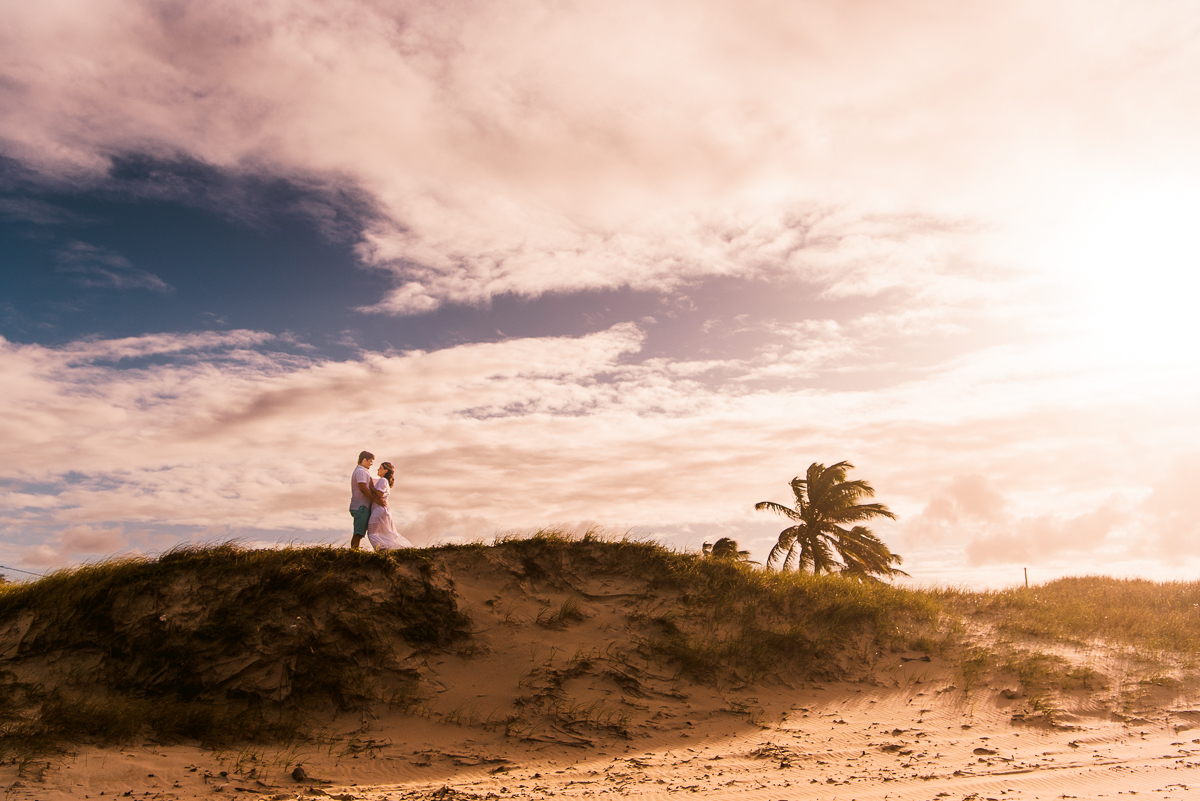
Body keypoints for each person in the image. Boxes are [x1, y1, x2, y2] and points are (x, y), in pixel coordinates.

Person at [367, 461, 413, 551]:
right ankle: (387, 548)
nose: (378, 470)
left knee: (372, 533)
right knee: (384, 532)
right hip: (380, 509)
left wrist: (371, 487)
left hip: (379, 509)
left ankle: (383, 549)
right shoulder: (383, 481)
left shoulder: (383, 480)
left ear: (385, 471)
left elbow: (380, 493)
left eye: (380, 468)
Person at [349, 450, 376, 550]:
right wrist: (375, 500)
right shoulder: (360, 471)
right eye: (370, 461)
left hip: (362, 506)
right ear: (364, 460)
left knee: (360, 533)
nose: (371, 464)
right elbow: (363, 489)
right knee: (358, 533)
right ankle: (354, 553)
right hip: (361, 507)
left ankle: (354, 552)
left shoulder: (363, 471)